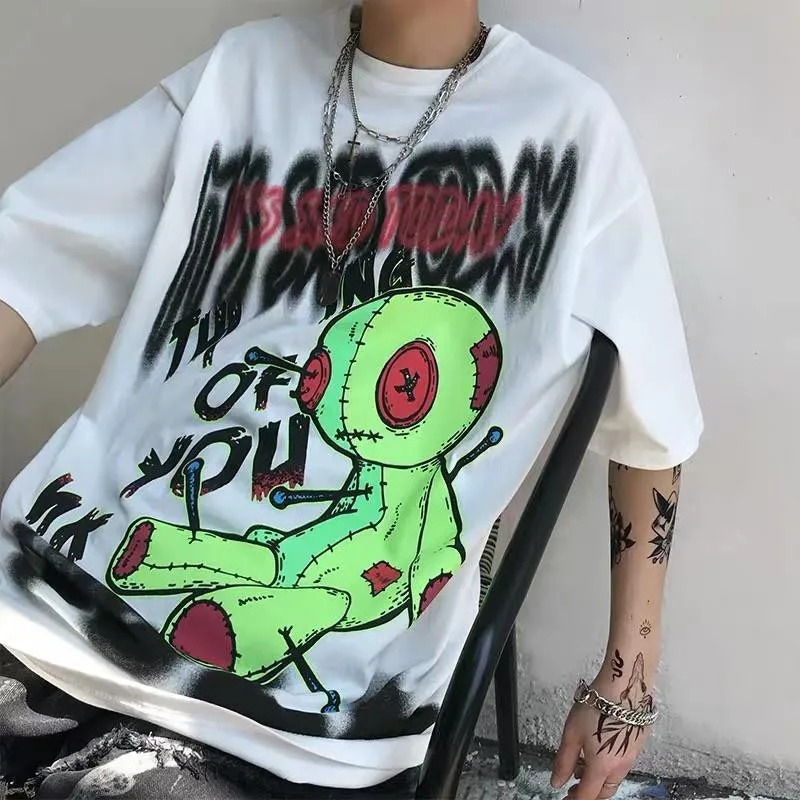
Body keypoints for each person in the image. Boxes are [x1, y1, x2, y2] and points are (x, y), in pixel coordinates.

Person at [0, 0, 703, 798]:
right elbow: (24, 261)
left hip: (303, 718)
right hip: (43, 602)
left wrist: (627, 678)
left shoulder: (572, 134)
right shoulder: (243, 73)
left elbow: (653, 427)